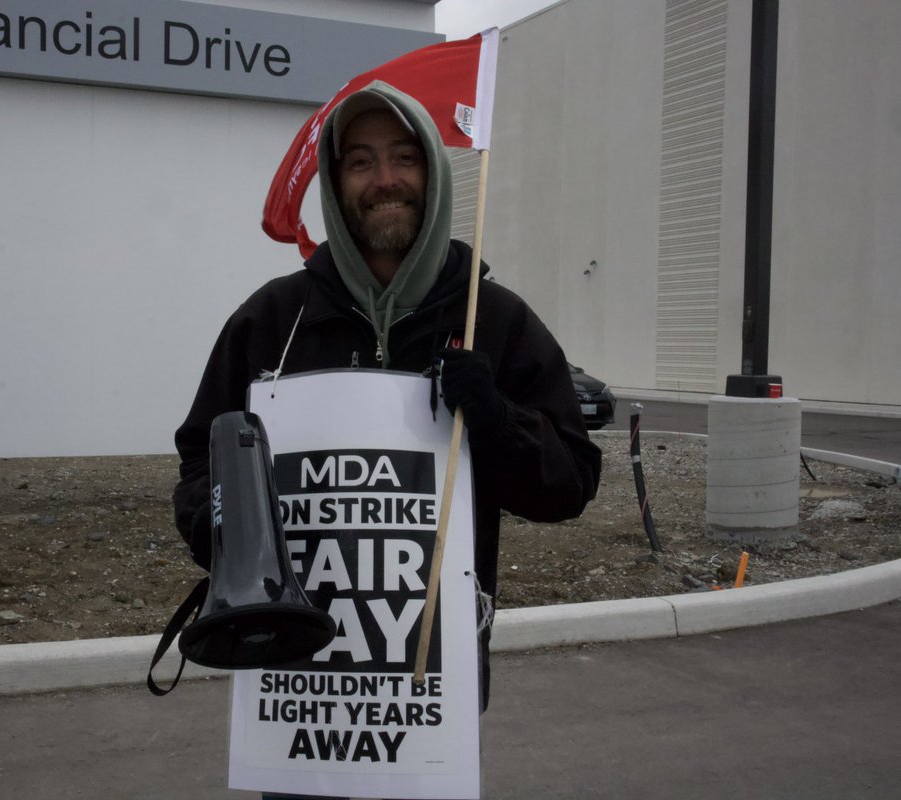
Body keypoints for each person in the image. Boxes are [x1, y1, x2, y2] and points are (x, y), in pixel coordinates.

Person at [172, 80, 601, 714]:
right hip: (291, 679)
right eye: (361, 161)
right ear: (334, 180)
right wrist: (228, 533)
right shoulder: (272, 320)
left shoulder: (495, 320)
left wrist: (497, 420)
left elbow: (570, 486)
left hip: (430, 683)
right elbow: (198, 468)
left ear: (432, 173)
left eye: (404, 157)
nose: (385, 179)